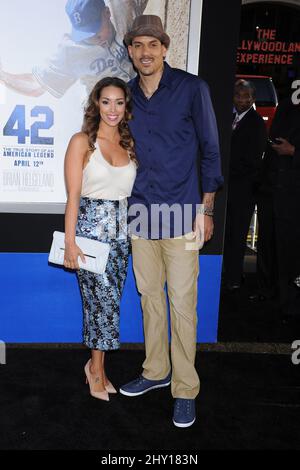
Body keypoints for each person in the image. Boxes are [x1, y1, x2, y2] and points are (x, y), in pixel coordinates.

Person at [119, 15, 223, 427]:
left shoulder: (192, 89)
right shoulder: (124, 95)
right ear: (130, 50)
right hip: (140, 212)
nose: (145, 52)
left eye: (153, 44)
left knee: (182, 306)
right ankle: (156, 371)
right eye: (138, 45)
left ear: (164, 48)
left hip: (183, 213)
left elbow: (211, 148)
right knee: (150, 300)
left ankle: (185, 389)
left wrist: (207, 208)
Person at [64, 76, 136, 401]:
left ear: (125, 107)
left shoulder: (128, 143)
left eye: (119, 102)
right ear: (96, 104)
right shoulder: (82, 142)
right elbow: (73, 196)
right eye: (106, 101)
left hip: (122, 237)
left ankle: (99, 368)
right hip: (90, 236)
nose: (112, 109)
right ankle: (95, 371)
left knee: (110, 305)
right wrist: (70, 241)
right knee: (101, 304)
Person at [0, 0, 148, 98]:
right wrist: (2, 76)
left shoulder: (121, 11)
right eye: (85, 33)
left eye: (95, 30)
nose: (92, 38)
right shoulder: (72, 51)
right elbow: (35, 86)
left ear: (107, 13)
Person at [251, 97, 300, 319]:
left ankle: (288, 302)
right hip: (271, 190)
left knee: (288, 250)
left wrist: (293, 152)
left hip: (292, 196)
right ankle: (267, 291)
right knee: (268, 244)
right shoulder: (286, 107)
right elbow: (272, 145)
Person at [223, 79, 267, 291]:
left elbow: (252, 161)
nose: (241, 100)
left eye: (245, 96)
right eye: (237, 95)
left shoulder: (257, 123)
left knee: (237, 235)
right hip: (227, 190)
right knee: (225, 234)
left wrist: (225, 172)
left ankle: (233, 279)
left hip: (243, 191)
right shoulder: (228, 118)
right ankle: (225, 275)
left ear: (253, 99)